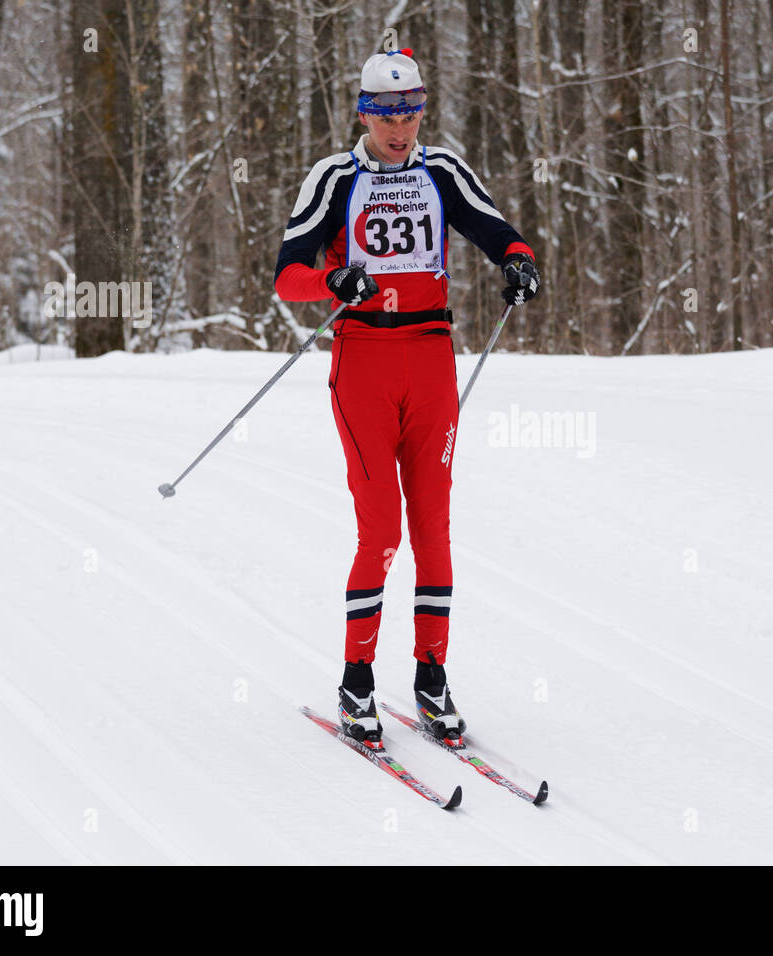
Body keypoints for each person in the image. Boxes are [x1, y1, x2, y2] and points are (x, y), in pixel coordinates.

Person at [274, 48, 540, 746]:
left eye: (411, 110)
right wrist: (332, 284)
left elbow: (498, 232)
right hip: (362, 360)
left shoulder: (441, 169)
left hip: (430, 361)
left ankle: (431, 676)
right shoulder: (334, 177)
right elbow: (288, 275)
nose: (400, 126)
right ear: (362, 112)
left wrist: (519, 263)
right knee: (382, 533)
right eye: (386, 112)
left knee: (433, 529)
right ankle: (356, 682)